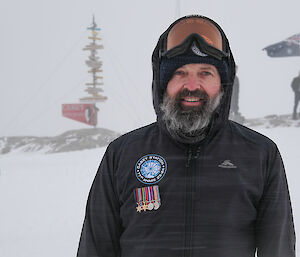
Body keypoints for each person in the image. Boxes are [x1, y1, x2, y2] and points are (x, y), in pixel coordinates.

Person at [77, 15, 295, 257]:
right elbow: (95, 249)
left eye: (205, 73)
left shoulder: (259, 154)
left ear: (223, 83)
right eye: (180, 73)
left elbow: (278, 250)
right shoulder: (123, 154)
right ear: (163, 83)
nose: (192, 85)